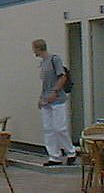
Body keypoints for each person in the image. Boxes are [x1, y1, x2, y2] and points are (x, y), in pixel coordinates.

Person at [32, 38, 77, 166]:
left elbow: (62, 76)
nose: (34, 52)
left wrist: (55, 92)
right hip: (46, 99)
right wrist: (41, 98)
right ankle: (54, 156)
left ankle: (71, 151)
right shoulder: (43, 63)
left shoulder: (54, 59)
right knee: (48, 129)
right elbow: (45, 83)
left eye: (34, 49)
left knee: (59, 127)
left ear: (38, 48)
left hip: (57, 99)